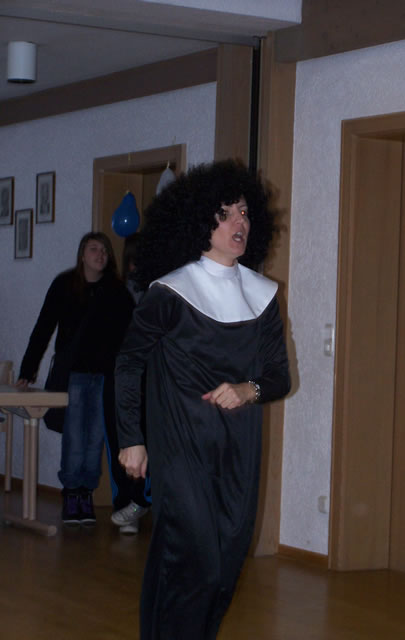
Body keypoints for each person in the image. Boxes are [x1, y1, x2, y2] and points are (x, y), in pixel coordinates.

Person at [115, 159, 291, 639]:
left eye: (245, 213)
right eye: (225, 214)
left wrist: (248, 389)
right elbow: (128, 364)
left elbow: (279, 377)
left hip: (238, 447)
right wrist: (131, 438)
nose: (239, 223)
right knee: (199, 562)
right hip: (181, 445)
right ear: (199, 223)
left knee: (224, 564)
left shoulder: (263, 296)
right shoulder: (171, 292)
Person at [17, 231, 134, 526]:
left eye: (104, 250)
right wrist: (27, 370)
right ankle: (72, 492)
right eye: (94, 249)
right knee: (74, 437)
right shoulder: (65, 285)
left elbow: (131, 334)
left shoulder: (116, 291)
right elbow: (43, 327)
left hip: (105, 376)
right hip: (74, 375)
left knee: (95, 437)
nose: (100, 255)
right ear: (82, 255)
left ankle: (86, 493)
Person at [104, 232, 151, 535]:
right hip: (121, 376)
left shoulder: (159, 292)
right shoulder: (117, 292)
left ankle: (140, 500)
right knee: (121, 441)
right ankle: (128, 504)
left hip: (150, 378)